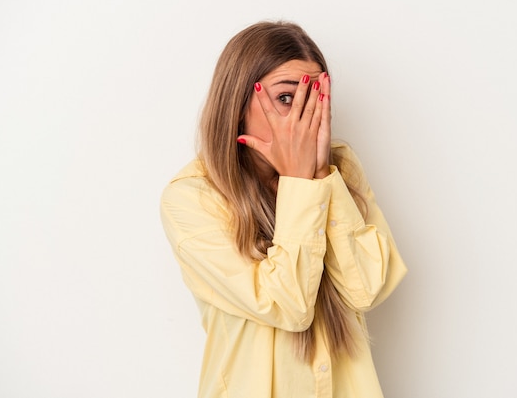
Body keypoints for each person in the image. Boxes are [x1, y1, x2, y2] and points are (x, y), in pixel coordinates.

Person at [160, 20, 407, 398]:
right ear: (239, 104)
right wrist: (300, 185)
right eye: (287, 98)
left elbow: (368, 288)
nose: (304, 118)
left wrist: (321, 174)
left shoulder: (342, 168)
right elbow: (287, 305)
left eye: (316, 99)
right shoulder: (192, 197)